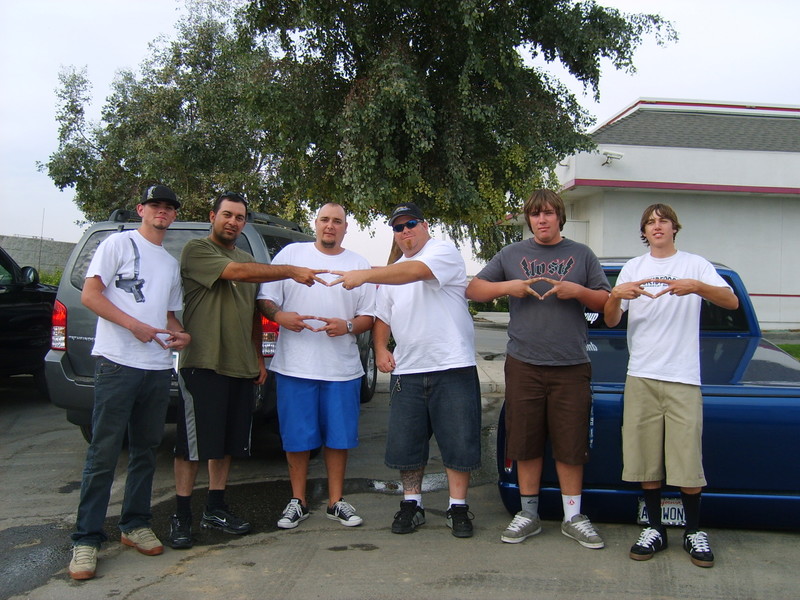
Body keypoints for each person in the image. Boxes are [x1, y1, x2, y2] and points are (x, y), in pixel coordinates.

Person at [170, 192, 327, 549]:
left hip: (240, 366)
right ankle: (181, 516)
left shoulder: (248, 259)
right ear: (213, 216)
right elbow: (235, 273)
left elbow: (254, 313)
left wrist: (257, 357)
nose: (233, 222)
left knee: (226, 445)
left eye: (239, 217)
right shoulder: (197, 250)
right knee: (191, 446)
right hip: (203, 363)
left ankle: (215, 507)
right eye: (227, 215)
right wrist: (290, 270)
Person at [466, 189, 610, 549]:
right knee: (525, 440)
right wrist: (509, 286)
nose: (541, 220)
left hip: (571, 364)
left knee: (571, 443)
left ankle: (573, 517)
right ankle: (528, 514)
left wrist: (578, 291)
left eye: (547, 213)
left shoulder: (582, 254)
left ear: (559, 216)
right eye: (535, 214)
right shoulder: (512, 254)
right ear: (529, 219)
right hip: (524, 364)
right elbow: (474, 289)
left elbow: (606, 302)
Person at [329, 202, 481, 538]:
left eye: (411, 223)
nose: (405, 231)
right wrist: (382, 348)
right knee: (407, 446)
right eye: (398, 227)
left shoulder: (441, 253)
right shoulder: (392, 273)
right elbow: (382, 317)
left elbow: (416, 272)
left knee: (459, 443)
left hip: (452, 366)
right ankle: (412, 503)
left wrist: (365, 274)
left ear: (425, 226)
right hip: (408, 372)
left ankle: (458, 507)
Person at [603, 203, 738, 568]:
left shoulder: (696, 265)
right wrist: (616, 296)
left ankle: (693, 531)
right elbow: (612, 320)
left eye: (663, 220)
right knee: (646, 460)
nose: (657, 226)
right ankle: (655, 529)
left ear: (674, 228)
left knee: (687, 460)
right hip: (641, 375)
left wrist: (698, 287)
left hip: (683, 376)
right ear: (644, 232)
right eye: (650, 222)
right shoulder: (634, 268)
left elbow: (731, 301)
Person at [69, 184, 191, 580]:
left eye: (169, 207)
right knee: (103, 452)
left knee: (146, 450)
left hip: (156, 367)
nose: (162, 211)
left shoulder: (169, 263)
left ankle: (134, 524)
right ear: (141, 209)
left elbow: (168, 315)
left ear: (174, 214)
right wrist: (134, 325)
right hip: (117, 363)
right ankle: (86, 540)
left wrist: (181, 334)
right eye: (155, 205)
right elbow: (91, 296)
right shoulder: (117, 244)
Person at [257, 203, 375, 529]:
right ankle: (298, 501)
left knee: (339, 439)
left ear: (346, 227)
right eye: (325, 220)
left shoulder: (358, 264)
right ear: (316, 223)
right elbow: (265, 299)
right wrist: (280, 317)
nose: (330, 226)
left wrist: (348, 326)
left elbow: (369, 316)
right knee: (297, 439)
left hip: (341, 369)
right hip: (295, 367)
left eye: (337, 221)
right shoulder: (291, 255)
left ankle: (336, 502)